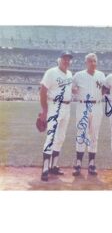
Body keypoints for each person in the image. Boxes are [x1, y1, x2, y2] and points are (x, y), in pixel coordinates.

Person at [39, 51, 73, 181]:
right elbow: (43, 90)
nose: (66, 61)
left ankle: (54, 165)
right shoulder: (51, 72)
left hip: (66, 107)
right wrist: (44, 110)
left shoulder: (70, 74)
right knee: (51, 136)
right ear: (59, 60)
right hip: (54, 106)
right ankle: (45, 168)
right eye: (64, 58)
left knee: (61, 137)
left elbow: (68, 89)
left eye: (68, 59)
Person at [72, 53, 105, 176]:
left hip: (97, 105)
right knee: (81, 133)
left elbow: (105, 89)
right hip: (82, 105)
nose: (93, 63)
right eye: (90, 61)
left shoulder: (101, 75)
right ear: (86, 63)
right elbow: (71, 86)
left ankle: (91, 163)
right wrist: (74, 90)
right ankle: (78, 163)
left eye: (95, 61)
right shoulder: (78, 75)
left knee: (94, 135)